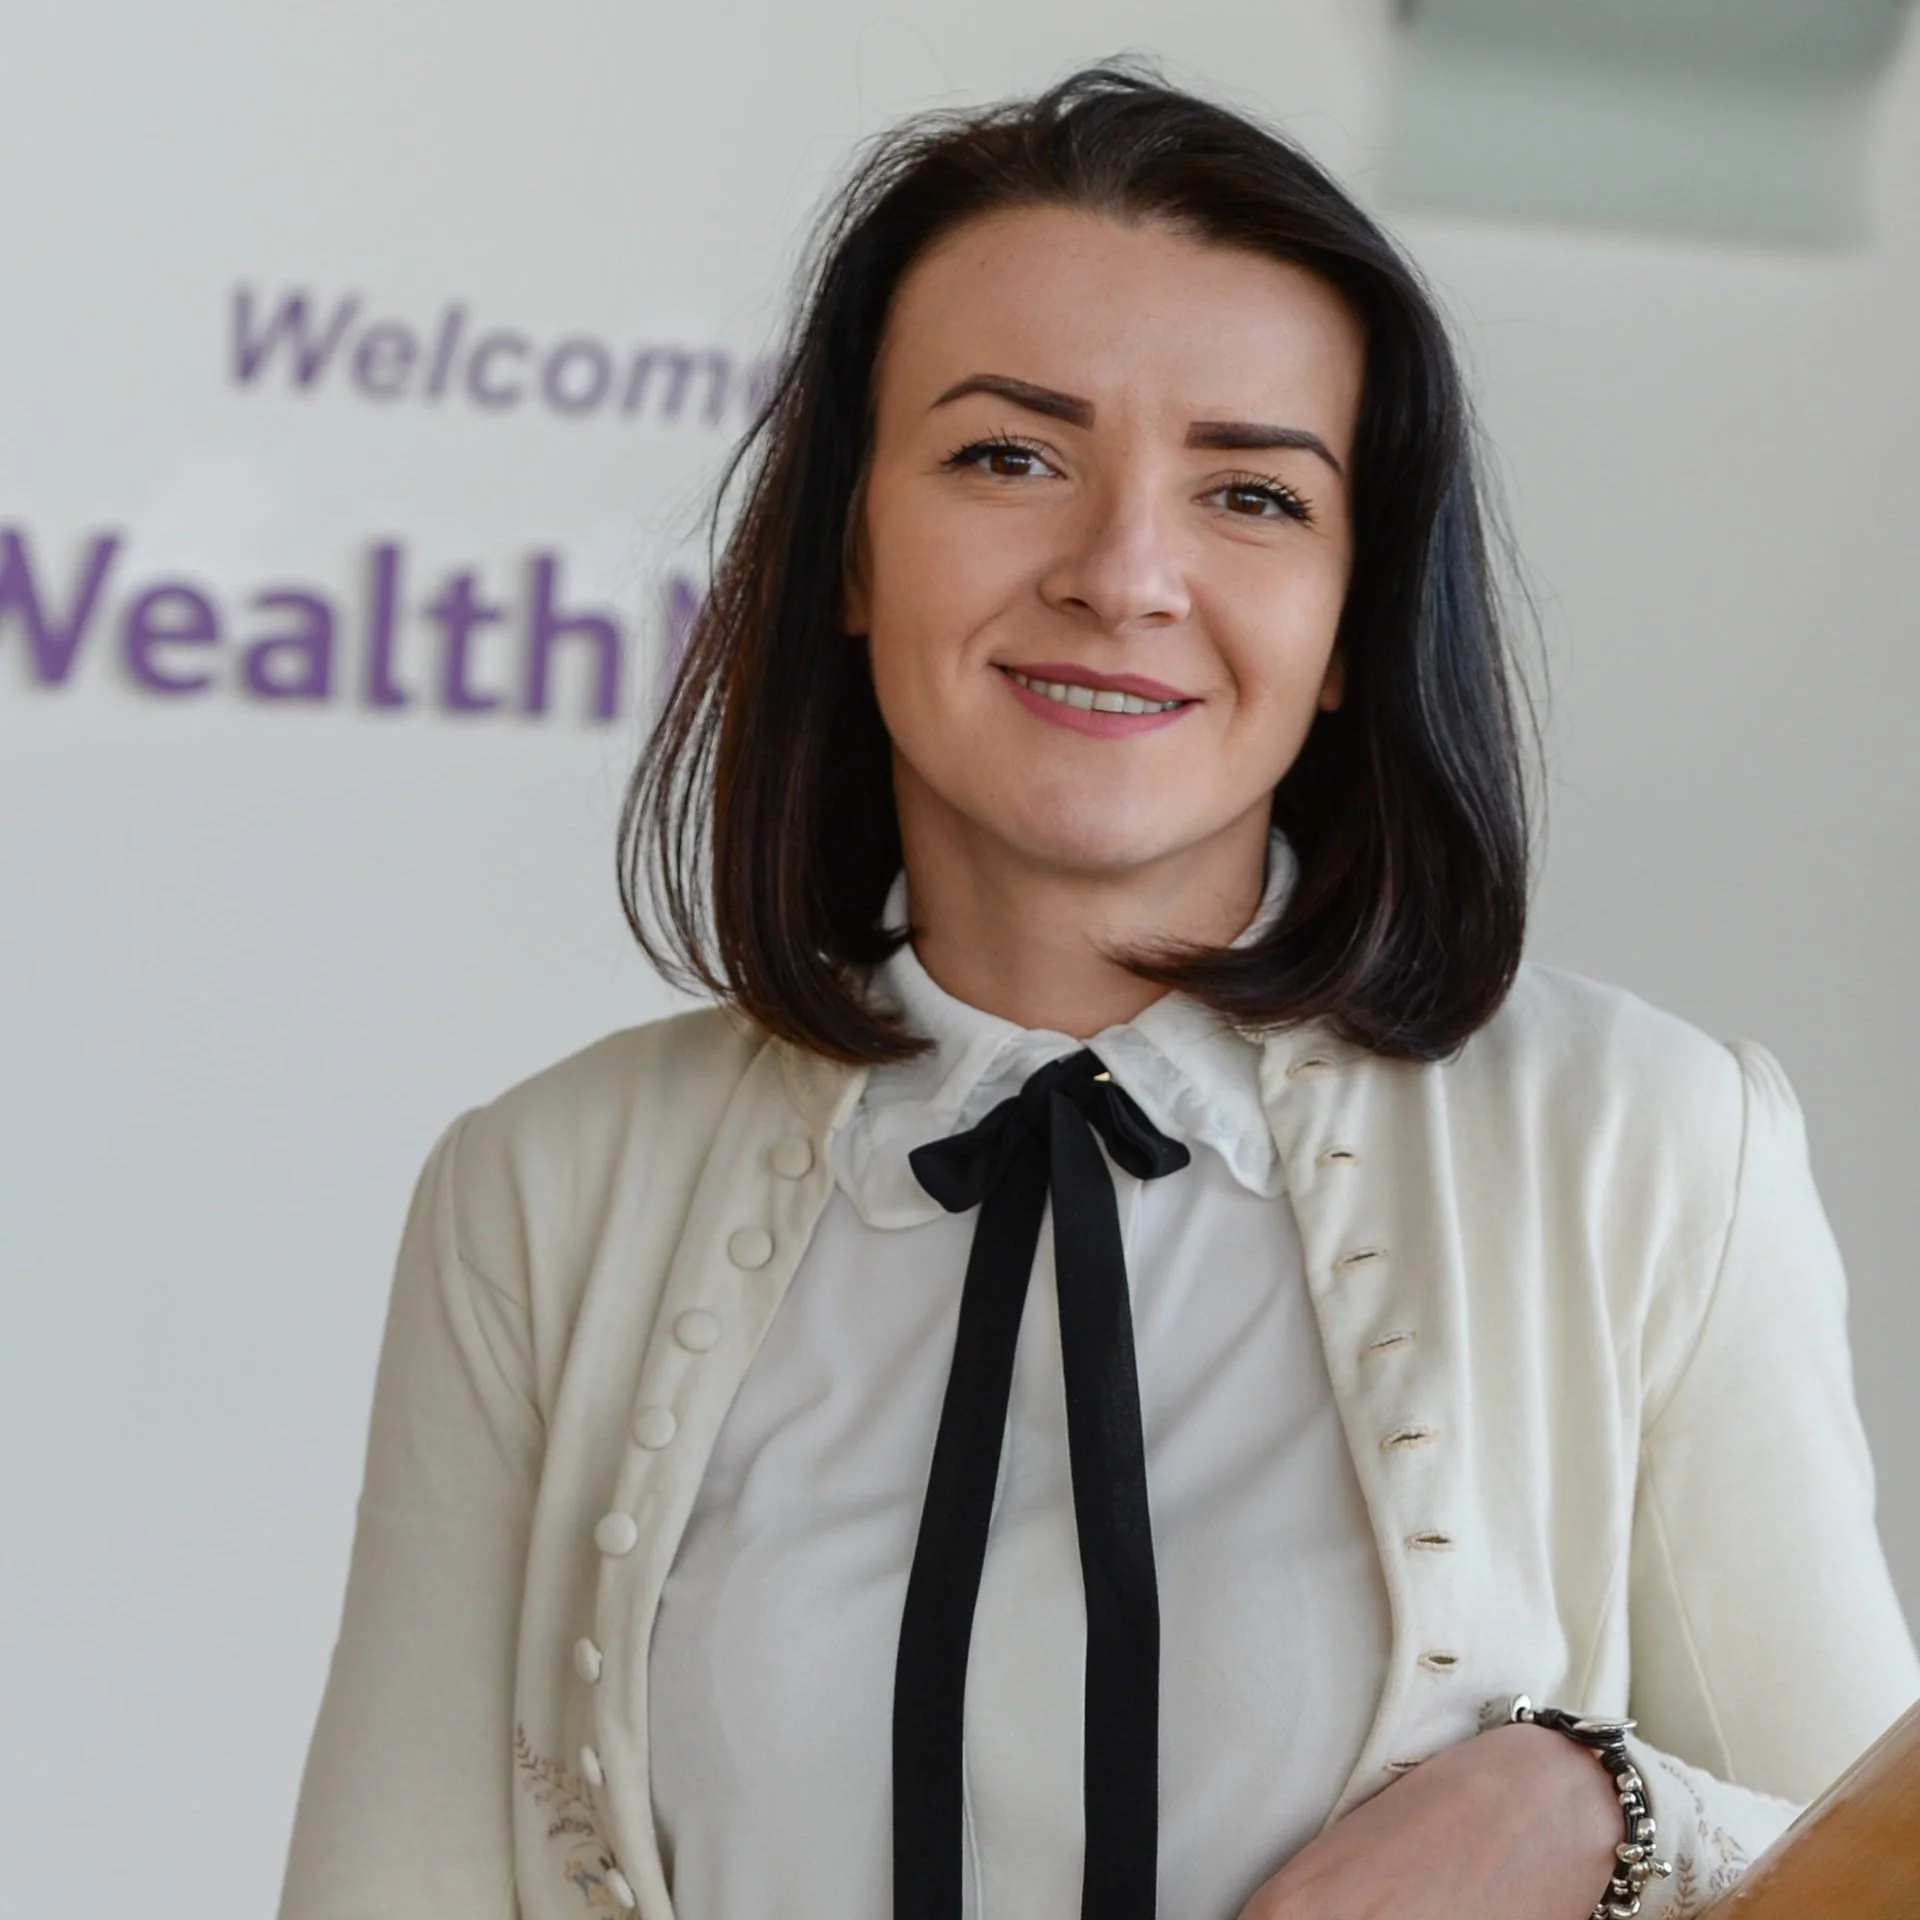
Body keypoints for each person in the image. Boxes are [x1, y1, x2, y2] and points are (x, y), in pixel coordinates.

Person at [279, 65, 1920, 1920]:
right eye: (1010, 456)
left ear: (1345, 630)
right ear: (846, 543)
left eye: (1251, 492)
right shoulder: (543, 1193)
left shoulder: (1646, 1146)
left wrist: (1596, 1808)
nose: (1126, 573)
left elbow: (1874, 1858)